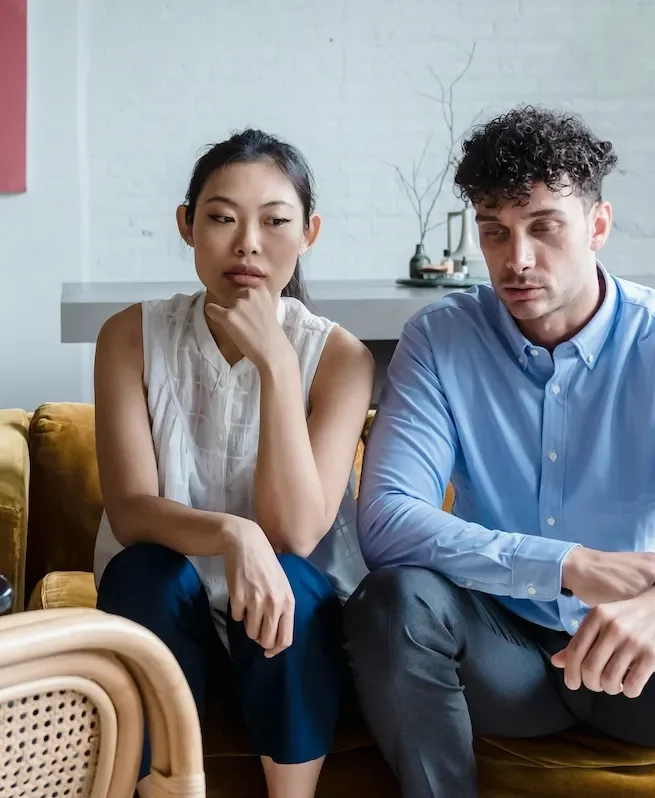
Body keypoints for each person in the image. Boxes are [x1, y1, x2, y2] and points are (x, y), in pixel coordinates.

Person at [345, 106, 655, 798]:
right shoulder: (441, 340)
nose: (516, 259)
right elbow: (385, 521)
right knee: (391, 601)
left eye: (544, 227)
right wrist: (564, 566)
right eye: (494, 232)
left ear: (597, 224)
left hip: (649, 665)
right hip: (502, 659)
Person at [93, 129, 373, 798]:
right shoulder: (130, 335)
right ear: (187, 225)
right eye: (221, 218)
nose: (248, 243)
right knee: (146, 571)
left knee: (299, 583)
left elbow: (299, 531)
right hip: (163, 610)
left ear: (309, 233)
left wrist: (277, 365)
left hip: (285, 630)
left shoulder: (339, 358)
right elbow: (131, 511)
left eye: (275, 222)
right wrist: (232, 532)